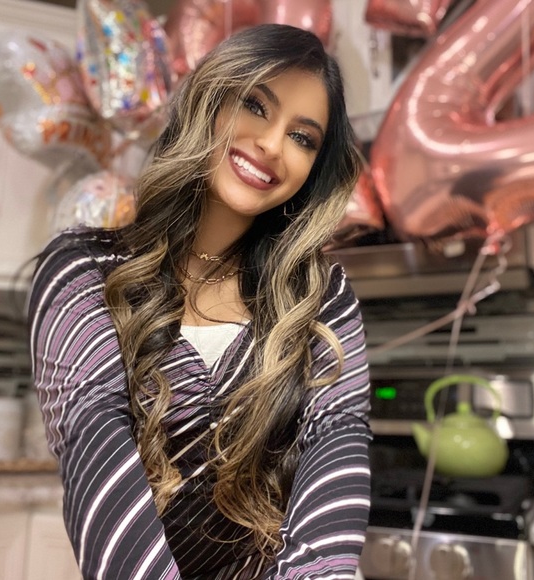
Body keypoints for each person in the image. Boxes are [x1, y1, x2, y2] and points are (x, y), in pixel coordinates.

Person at [28, 23, 371, 579]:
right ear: (210, 101)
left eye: (302, 137)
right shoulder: (84, 271)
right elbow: (96, 444)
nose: (272, 144)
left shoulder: (319, 297)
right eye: (255, 106)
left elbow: (338, 436)